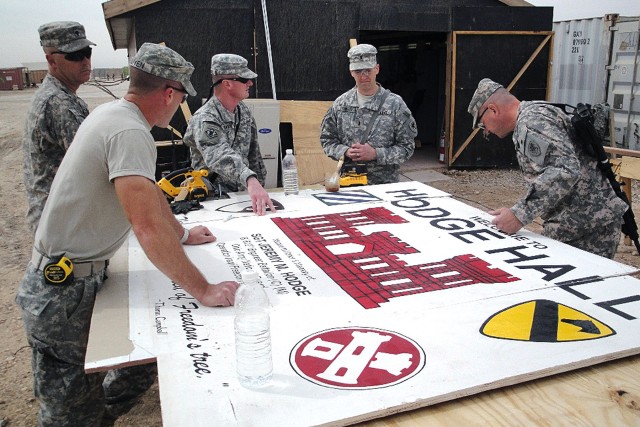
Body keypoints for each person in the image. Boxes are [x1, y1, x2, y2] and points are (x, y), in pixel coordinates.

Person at [15, 42, 240, 426]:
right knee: (70, 416)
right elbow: (146, 226)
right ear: (169, 93)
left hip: (79, 280)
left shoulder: (116, 116)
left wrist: (182, 233)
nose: (178, 105)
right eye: (181, 96)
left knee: (138, 366)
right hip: (62, 293)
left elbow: (148, 193)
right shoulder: (129, 132)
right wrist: (203, 290)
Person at [467, 78, 628, 258]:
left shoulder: (531, 122)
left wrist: (519, 214)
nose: (486, 131)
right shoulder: (536, 112)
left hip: (584, 226)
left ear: (493, 110)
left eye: (482, 124)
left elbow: (564, 169)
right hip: (583, 221)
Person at [23, 21, 95, 234]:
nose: (85, 61)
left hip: (60, 220)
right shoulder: (58, 103)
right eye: (74, 55)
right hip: (61, 227)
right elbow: (96, 165)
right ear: (51, 60)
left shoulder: (63, 96)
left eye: (87, 52)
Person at [183, 53, 275, 215]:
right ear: (227, 84)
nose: (250, 83)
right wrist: (250, 180)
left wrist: (259, 187)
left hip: (242, 198)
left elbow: (254, 158)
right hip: (211, 203)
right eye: (244, 79)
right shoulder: (205, 118)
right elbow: (218, 155)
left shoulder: (243, 112)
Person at [320, 44, 417, 184]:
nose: (364, 76)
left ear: (377, 69)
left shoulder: (395, 104)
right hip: (349, 185)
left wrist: (375, 154)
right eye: (358, 71)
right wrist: (345, 151)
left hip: (384, 186)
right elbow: (327, 140)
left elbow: (407, 148)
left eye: (368, 70)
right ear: (351, 72)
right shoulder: (340, 104)